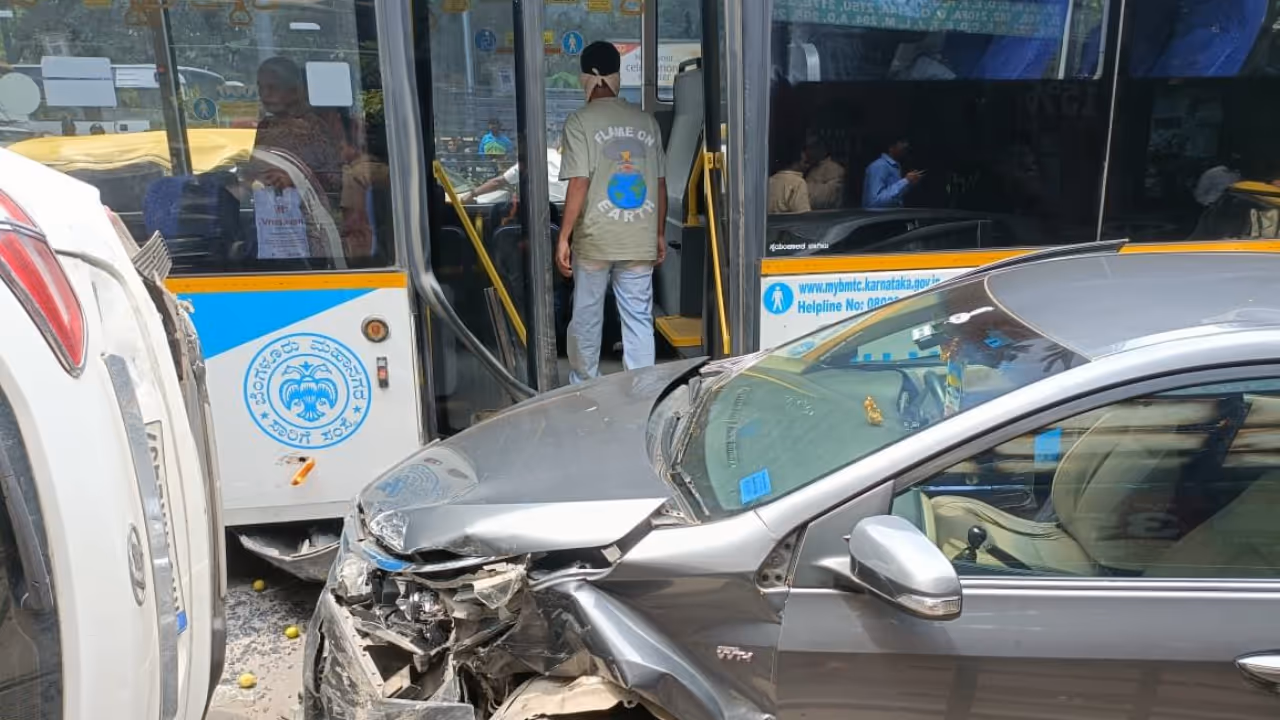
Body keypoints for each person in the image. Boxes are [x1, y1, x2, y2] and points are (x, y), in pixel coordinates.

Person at [556, 41, 667, 384]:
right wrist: (659, 233)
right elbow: (660, 185)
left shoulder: (579, 122)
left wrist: (564, 236)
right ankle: (642, 393)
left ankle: (583, 386)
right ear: (617, 76)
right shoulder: (646, 121)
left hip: (596, 239)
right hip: (638, 237)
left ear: (584, 78)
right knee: (637, 318)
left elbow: (578, 183)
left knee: (587, 316)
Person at [863, 137, 923, 209]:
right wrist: (905, 181)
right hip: (880, 218)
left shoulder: (895, 166)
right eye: (902, 142)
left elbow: (893, 197)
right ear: (891, 147)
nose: (906, 145)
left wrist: (909, 184)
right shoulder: (879, 166)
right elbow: (874, 202)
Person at [768, 145, 811, 214]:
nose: (807, 166)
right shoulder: (798, 183)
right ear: (795, 163)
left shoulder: (769, 181)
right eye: (805, 162)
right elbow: (803, 215)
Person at [804, 138, 845, 209]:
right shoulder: (809, 169)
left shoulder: (835, 169)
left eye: (811, 148)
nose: (808, 152)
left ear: (822, 149)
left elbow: (825, 199)